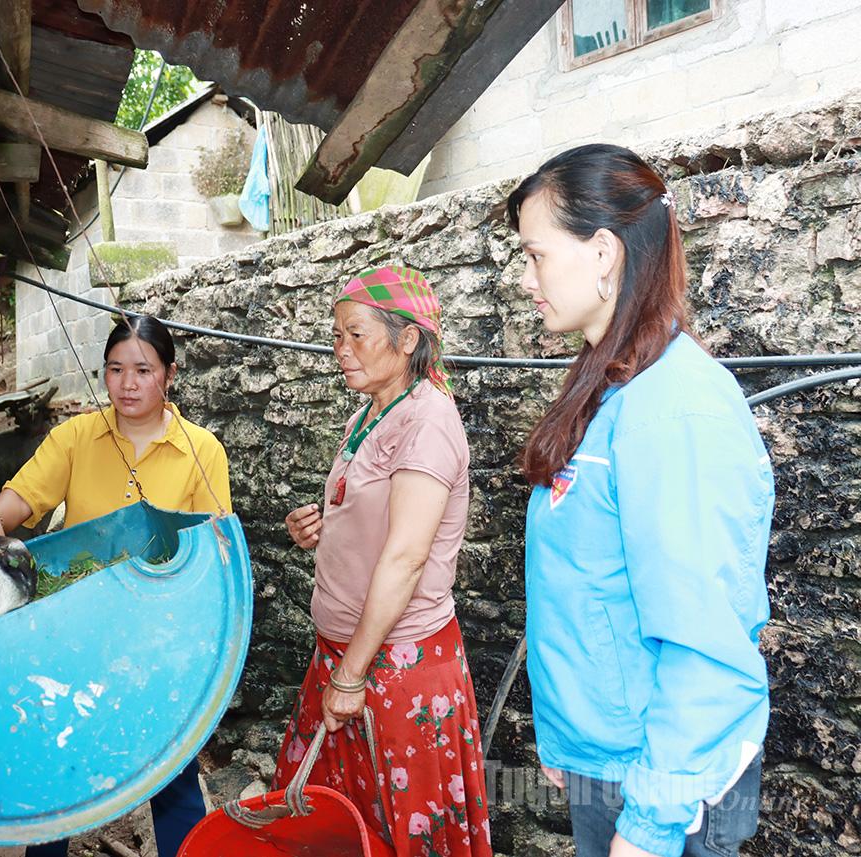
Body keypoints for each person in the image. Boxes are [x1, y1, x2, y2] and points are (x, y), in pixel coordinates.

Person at [507, 144, 774, 857]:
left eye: (535, 255)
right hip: (610, 760)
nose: (525, 279)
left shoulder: (674, 407)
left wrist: (650, 826)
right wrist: (568, 738)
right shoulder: (610, 387)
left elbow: (703, 638)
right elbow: (587, 583)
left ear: (602, 252)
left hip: (663, 782)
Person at [0, 314, 231, 857]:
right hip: (74, 632)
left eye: (143, 370)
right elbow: (17, 502)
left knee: (171, 772)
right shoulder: (75, 438)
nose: (127, 384)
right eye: (115, 370)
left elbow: (212, 551)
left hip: (159, 636)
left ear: (170, 374)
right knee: (59, 766)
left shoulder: (202, 450)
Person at [279, 266, 493, 857]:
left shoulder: (428, 422)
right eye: (336, 336)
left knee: (399, 829)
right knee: (344, 828)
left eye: (356, 335)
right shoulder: (370, 414)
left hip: (393, 668)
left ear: (407, 340)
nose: (340, 350)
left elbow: (405, 558)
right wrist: (321, 528)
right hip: (346, 656)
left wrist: (350, 676)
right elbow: (374, 518)